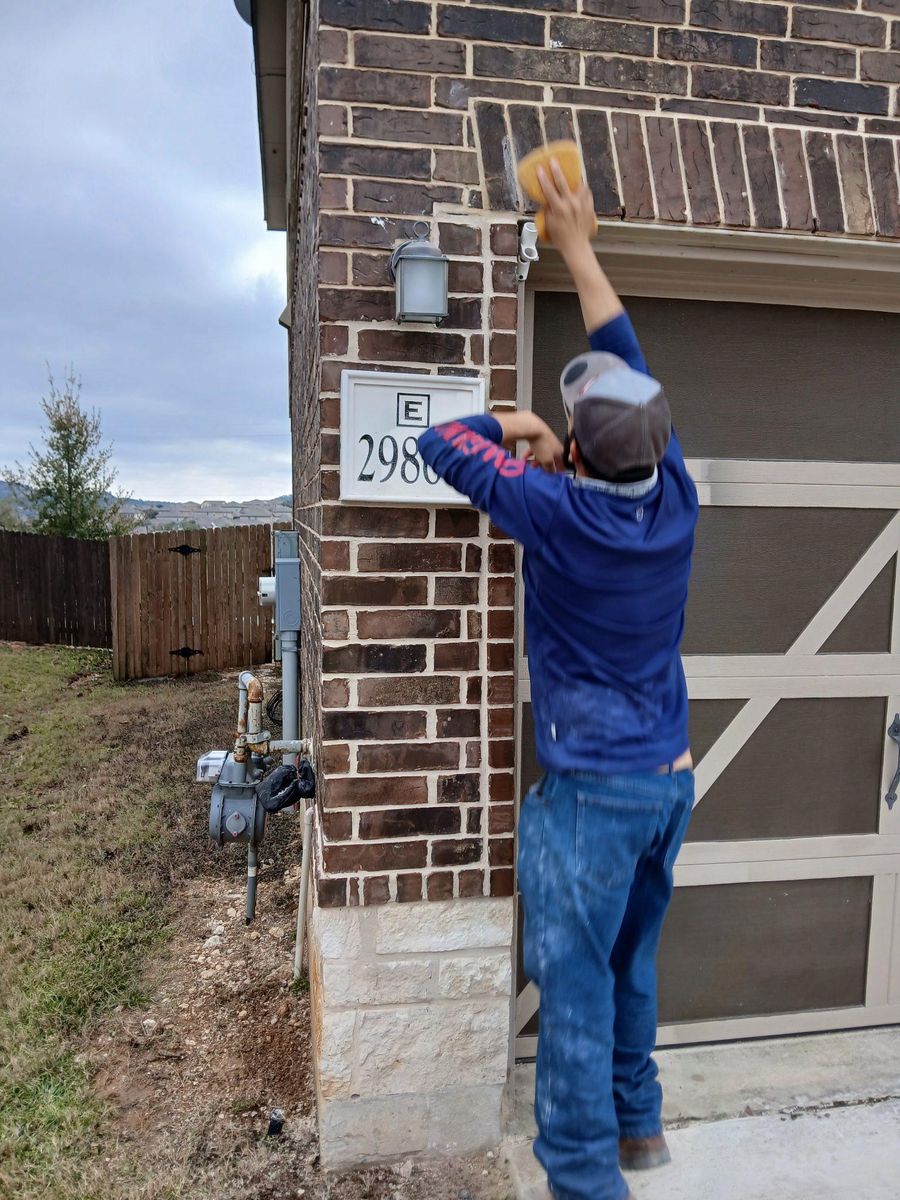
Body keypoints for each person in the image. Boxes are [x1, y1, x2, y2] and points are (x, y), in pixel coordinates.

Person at [417, 162, 699, 1200]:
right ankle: (640, 1127)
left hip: (592, 801)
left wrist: (510, 429)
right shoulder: (673, 499)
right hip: (670, 785)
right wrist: (578, 247)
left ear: (576, 451)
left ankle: (587, 1180)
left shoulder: (558, 513)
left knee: (574, 987)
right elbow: (624, 357)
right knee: (631, 965)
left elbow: (435, 442)